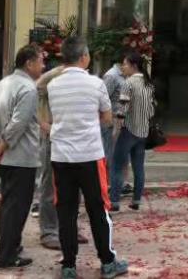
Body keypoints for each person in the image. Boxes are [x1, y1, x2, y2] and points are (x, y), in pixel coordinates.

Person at [47, 36, 129, 279]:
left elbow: (54, 115)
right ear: (84, 57)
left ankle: (69, 266)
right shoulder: (96, 84)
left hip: (61, 157)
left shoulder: (53, 85)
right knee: (98, 209)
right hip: (90, 156)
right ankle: (108, 262)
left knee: (66, 212)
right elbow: (107, 118)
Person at [0, 43, 45, 269]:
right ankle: (6, 255)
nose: (43, 66)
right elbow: (18, 124)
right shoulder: (28, 89)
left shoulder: (2, 84)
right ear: (29, 63)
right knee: (16, 208)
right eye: (41, 61)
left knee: (10, 205)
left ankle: (12, 246)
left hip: (6, 158)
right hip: (20, 158)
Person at [35, 64, 88, 250]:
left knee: (74, 188)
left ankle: (68, 227)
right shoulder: (48, 87)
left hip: (74, 140)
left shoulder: (78, 87)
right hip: (53, 139)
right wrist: (44, 124)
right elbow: (36, 88)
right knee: (50, 187)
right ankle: (49, 231)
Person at [110, 52, 155, 212]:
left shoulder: (128, 83)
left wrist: (115, 125)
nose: (123, 67)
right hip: (143, 131)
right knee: (139, 167)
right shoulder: (149, 84)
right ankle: (136, 201)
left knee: (117, 166)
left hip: (128, 130)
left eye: (125, 64)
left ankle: (114, 202)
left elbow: (122, 110)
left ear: (133, 66)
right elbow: (151, 110)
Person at [102, 55, 132, 196]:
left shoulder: (126, 76)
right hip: (112, 121)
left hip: (123, 120)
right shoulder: (111, 76)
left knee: (122, 153)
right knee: (111, 153)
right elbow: (103, 98)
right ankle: (110, 184)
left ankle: (122, 183)